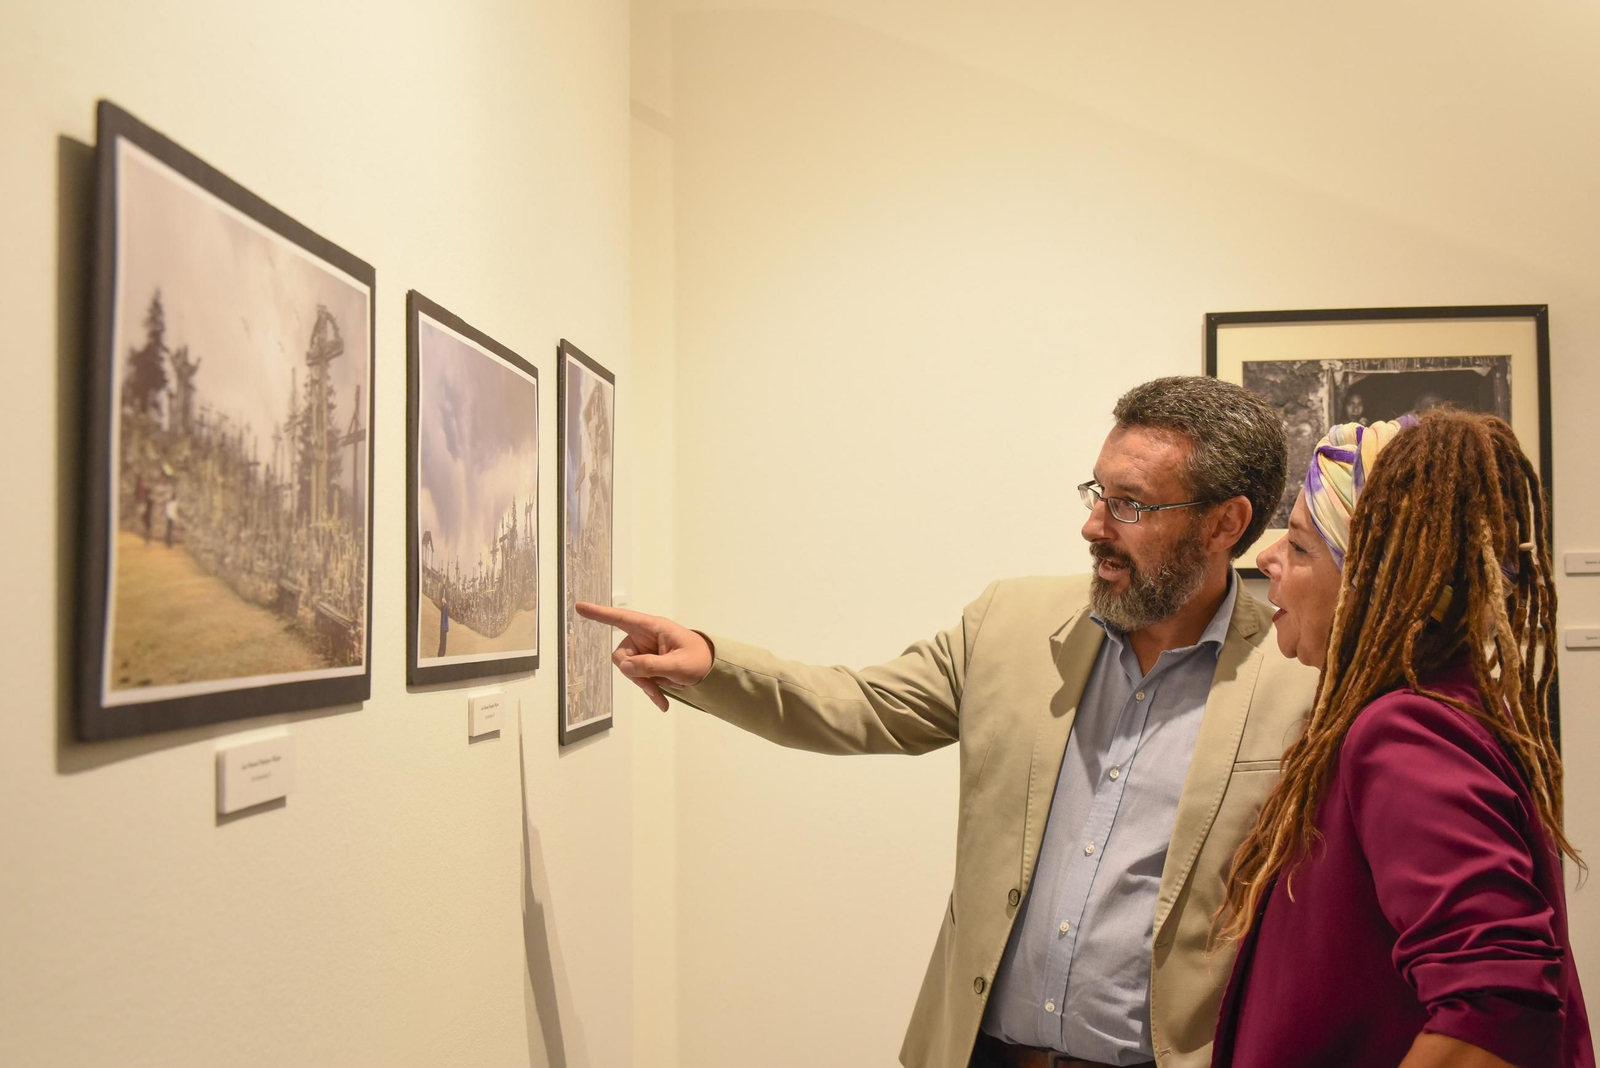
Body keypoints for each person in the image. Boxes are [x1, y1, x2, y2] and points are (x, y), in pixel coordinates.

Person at [578, 376, 1319, 1068]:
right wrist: (712, 663)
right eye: (1098, 491)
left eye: (1131, 503)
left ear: (1226, 523)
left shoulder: (1304, 683)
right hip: (986, 1052)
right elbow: (866, 706)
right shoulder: (1011, 622)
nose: (1094, 525)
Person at [1213, 410, 1592, 1068]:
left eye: (1300, 548)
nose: (1265, 557)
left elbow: (1497, 1007)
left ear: (1370, 584)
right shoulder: (1422, 709)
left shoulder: (1406, 729)